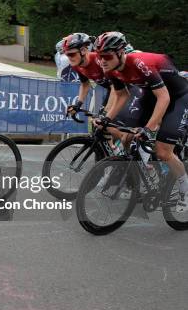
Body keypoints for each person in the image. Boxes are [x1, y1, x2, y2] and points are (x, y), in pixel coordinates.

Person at [94, 31, 188, 212]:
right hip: (152, 96)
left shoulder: (139, 62)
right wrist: (107, 119)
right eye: (99, 56)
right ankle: (142, 177)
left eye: (106, 56)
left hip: (178, 97)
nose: (102, 60)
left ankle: (185, 188)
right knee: (128, 136)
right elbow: (122, 95)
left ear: (121, 53)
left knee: (163, 151)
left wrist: (149, 128)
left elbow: (164, 98)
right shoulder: (111, 68)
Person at [63, 32, 147, 146]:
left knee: (109, 124)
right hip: (113, 90)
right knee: (98, 126)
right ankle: (110, 154)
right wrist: (78, 104)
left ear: (83, 51)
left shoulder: (99, 61)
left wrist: (106, 114)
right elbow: (85, 84)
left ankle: (131, 148)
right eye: (67, 55)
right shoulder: (77, 65)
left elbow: (114, 88)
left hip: (128, 90)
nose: (69, 58)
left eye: (72, 54)